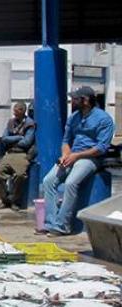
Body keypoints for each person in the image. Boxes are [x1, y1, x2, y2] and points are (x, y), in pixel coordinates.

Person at [39, 86, 114, 235]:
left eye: (75, 98)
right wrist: (65, 155)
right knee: (48, 181)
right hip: (73, 155)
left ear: (85, 100)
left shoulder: (104, 119)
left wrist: (77, 156)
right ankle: (50, 222)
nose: (72, 101)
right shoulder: (74, 117)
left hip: (90, 158)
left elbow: (101, 147)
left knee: (71, 183)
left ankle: (62, 225)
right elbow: (66, 140)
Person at [0, 103, 36, 211]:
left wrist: (11, 139)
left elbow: (26, 143)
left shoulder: (30, 124)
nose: (14, 113)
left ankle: (15, 200)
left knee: (20, 175)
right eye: (14, 111)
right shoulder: (11, 122)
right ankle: (5, 199)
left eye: (16, 111)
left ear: (22, 111)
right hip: (10, 153)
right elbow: (4, 138)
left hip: (22, 154)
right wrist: (18, 137)